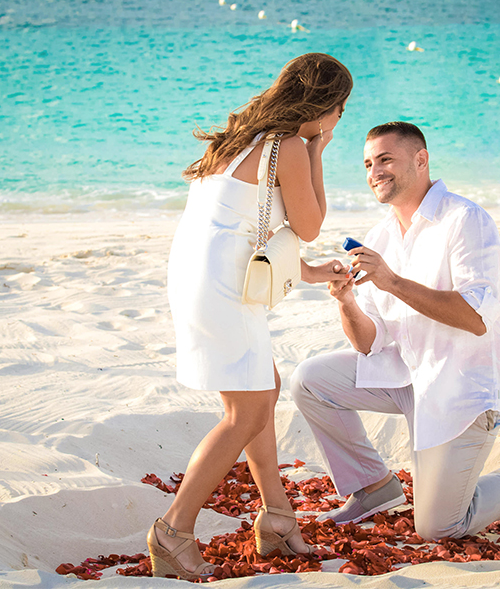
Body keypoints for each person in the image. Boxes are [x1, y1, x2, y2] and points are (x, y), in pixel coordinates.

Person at [290, 121, 500, 541]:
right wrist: (347, 302)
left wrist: (392, 281)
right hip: (407, 378)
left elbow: (476, 318)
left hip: (461, 389)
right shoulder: (380, 234)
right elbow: (369, 342)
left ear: (421, 160)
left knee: (440, 527)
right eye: (367, 164)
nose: (374, 172)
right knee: (310, 380)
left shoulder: (465, 219)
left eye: (386, 159)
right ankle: (373, 486)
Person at [148, 53, 353, 580]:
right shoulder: (286, 146)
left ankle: (278, 516)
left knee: (263, 386)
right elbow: (308, 225)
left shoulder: (236, 139)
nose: (337, 121)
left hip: (199, 277)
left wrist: (308, 273)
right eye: (340, 110)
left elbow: (234, 230)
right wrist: (317, 151)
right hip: (222, 290)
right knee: (246, 410)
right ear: (324, 105)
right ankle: (172, 531)